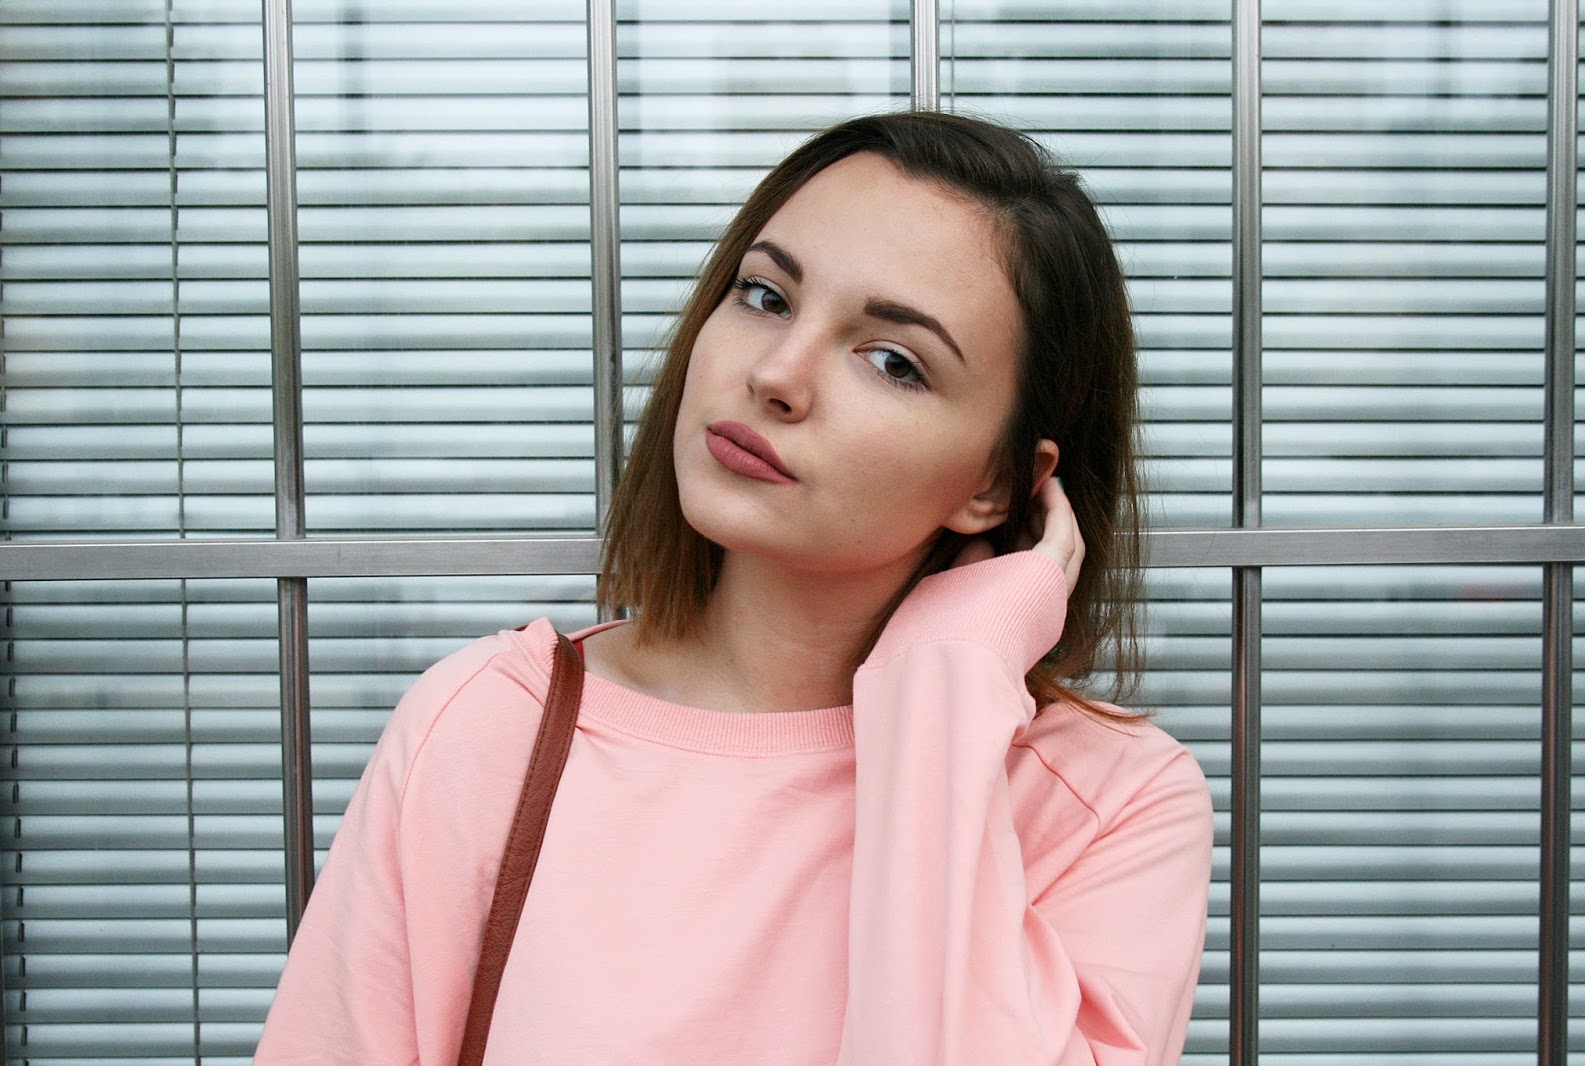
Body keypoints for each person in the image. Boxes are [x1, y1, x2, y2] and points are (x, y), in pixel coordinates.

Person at [254, 111, 1212, 1065]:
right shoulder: (487, 729)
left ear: (997, 483)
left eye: (893, 361)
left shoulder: (1114, 811)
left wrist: (946, 687)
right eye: (765, 296)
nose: (776, 374)